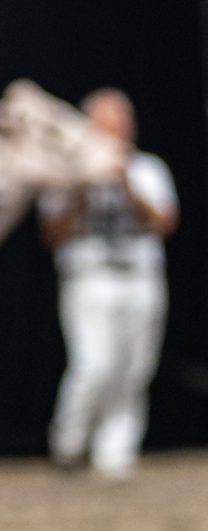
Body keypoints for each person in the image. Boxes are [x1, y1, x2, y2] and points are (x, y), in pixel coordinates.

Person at [40, 90, 178, 479]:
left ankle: (115, 452)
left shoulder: (147, 168)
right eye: (108, 123)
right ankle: (69, 444)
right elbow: (51, 233)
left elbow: (164, 222)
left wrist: (125, 183)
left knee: (134, 368)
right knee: (93, 365)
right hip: (89, 277)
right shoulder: (67, 173)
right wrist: (85, 185)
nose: (119, 130)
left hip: (141, 276)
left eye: (123, 121)